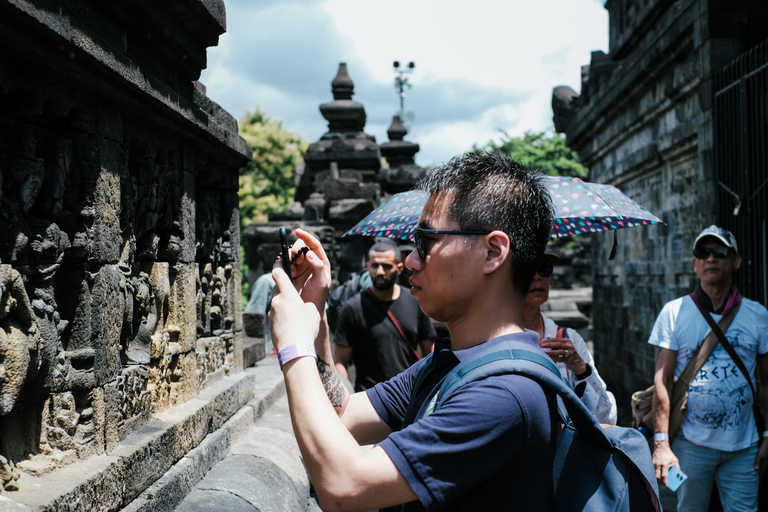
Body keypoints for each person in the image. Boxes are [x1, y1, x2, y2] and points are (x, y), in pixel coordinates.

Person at [268, 152, 558, 511]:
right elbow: (342, 415)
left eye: (426, 242)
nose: (410, 261)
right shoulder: (452, 363)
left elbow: (344, 486)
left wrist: (292, 348)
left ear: (492, 252)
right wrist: (316, 314)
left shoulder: (506, 394)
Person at [649, 225, 768, 511]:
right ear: (695, 264)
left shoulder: (757, 315)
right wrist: (662, 444)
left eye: (720, 252)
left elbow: (766, 383)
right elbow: (662, 381)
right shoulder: (674, 312)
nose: (711, 258)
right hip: (690, 446)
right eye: (704, 253)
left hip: (745, 446)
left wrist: (767, 436)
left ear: (736, 260)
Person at [522, 252, 617, 425]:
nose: (537, 277)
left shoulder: (568, 339)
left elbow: (606, 415)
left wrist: (581, 369)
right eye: (527, 269)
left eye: (544, 269)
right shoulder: (491, 339)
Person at [334, 240, 436, 392]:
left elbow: (430, 353)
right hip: (368, 401)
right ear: (367, 267)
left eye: (387, 266)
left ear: (399, 268)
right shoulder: (352, 308)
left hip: (408, 396)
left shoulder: (415, 302)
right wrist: (346, 396)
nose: (380, 272)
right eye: (375, 265)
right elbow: (340, 361)